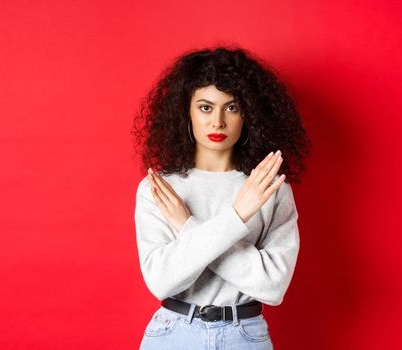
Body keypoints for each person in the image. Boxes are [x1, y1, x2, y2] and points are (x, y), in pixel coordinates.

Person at [131, 46, 312, 349]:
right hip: (174, 333)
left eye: (231, 107)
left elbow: (273, 286)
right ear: (185, 112)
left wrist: (188, 226)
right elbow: (162, 282)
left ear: (248, 114)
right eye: (205, 107)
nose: (217, 121)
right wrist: (236, 217)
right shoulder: (160, 188)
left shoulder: (269, 187)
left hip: (245, 335)